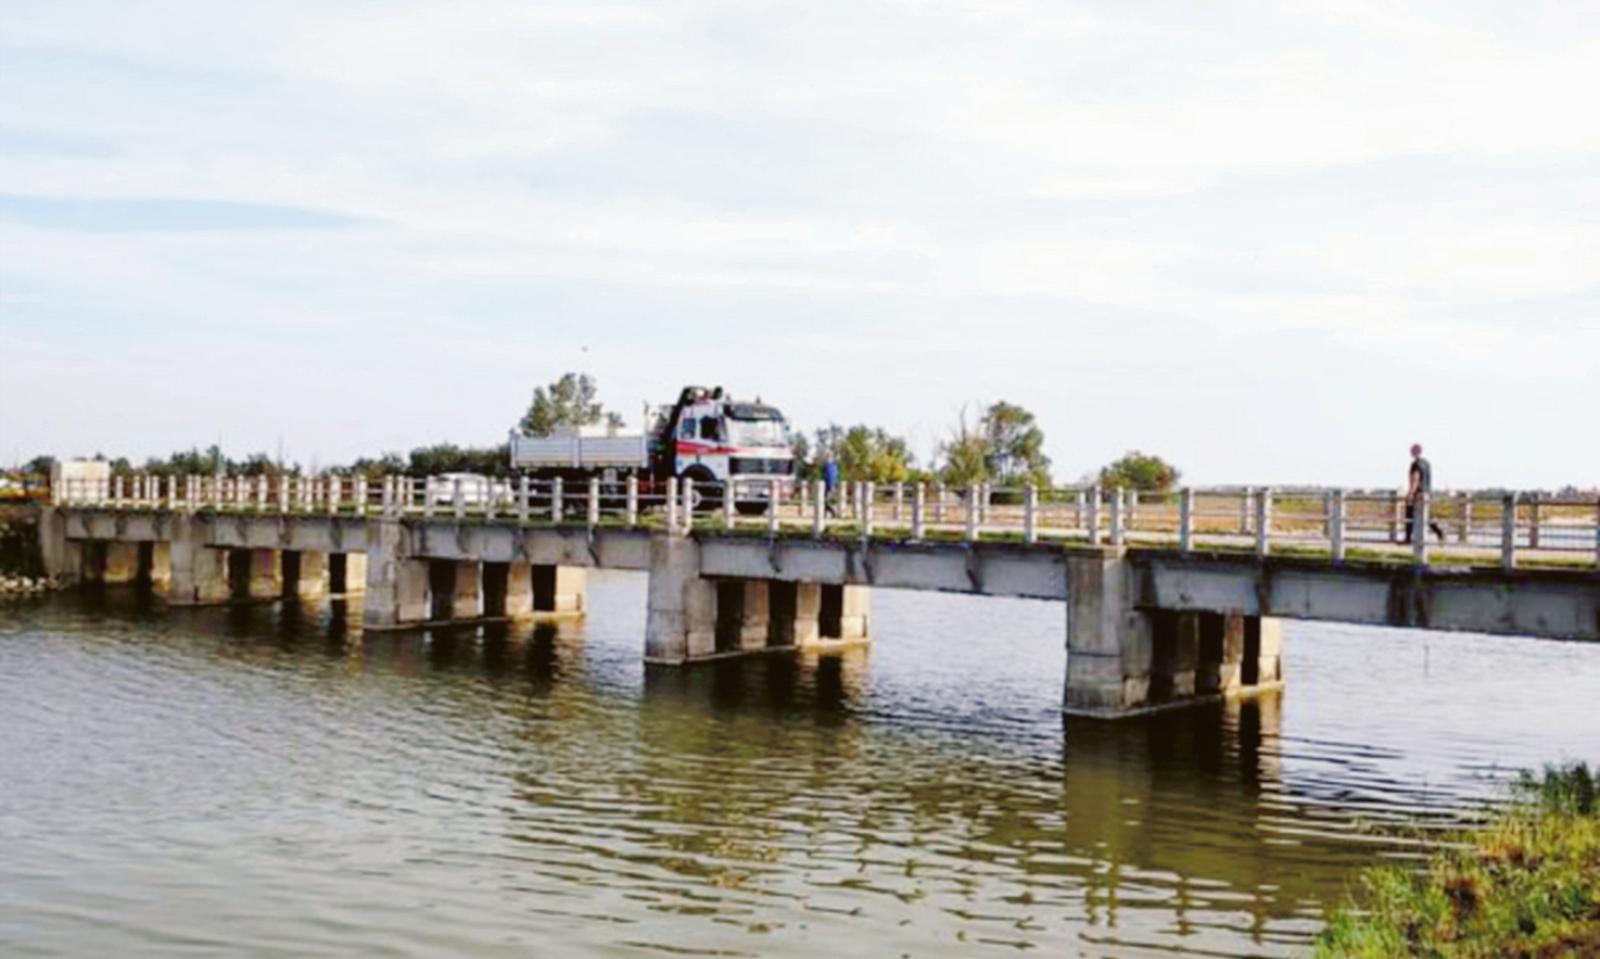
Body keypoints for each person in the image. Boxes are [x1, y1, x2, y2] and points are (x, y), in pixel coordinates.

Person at [1404, 443, 1446, 544]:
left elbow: (1416, 478)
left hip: (1418, 495)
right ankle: (1439, 532)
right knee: (1427, 516)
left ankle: (1408, 538)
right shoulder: (1426, 463)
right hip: (1427, 494)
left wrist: (1410, 493)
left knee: (1409, 515)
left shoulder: (1415, 464)